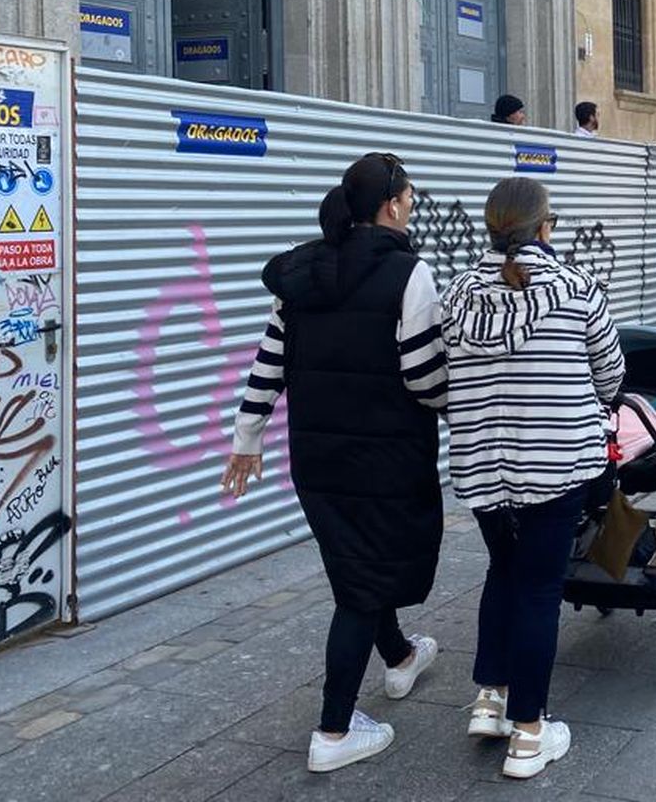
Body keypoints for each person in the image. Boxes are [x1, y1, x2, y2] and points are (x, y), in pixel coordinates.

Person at [221, 152, 448, 774]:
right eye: (410, 196)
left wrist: (246, 438)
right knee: (359, 584)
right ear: (392, 205)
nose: (413, 205)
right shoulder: (411, 274)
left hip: (318, 458)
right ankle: (334, 729)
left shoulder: (301, 274)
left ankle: (400, 658)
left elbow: (269, 362)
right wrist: (465, 410)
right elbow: (426, 377)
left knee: (357, 565)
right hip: (388, 456)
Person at [441, 177, 624, 780]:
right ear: (546, 226)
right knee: (541, 589)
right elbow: (610, 374)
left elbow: (439, 376)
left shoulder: (458, 293)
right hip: (556, 462)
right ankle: (528, 733)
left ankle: (489, 701)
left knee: (503, 571)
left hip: (481, 463)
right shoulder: (577, 288)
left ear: (491, 228)